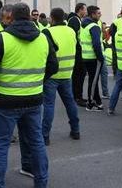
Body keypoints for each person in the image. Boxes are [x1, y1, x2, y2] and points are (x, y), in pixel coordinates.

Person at [0, 3, 58, 188]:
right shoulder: (43, 38)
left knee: (1, 145)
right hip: (33, 99)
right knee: (37, 142)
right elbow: (53, 67)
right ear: (31, 17)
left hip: (6, 100)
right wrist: (38, 81)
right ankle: (41, 182)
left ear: (12, 18)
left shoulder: (3, 39)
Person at [41, 8, 81, 145]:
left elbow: (44, 51)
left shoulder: (47, 32)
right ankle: (75, 130)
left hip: (52, 74)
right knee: (70, 102)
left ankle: (45, 136)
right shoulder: (71, 31)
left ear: (51, 18)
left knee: (49, 105)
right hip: (67, 73)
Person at [79, 6, 105, 111]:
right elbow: (96, 44)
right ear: (92, 14)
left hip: (86, 56)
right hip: (94, 58)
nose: (100, 15)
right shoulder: (94, 26)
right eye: (98, 13)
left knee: (92, 79)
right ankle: (90, 104)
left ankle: (97, 101)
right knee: (93, 81)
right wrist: (100, 57)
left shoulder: (84, 24)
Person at [67, 3, 87, 107]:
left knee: (79, 75)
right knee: (78, 75)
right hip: (77, 52)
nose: (86, 12)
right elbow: (73, 36)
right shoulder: (74, 20)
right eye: (85, 9)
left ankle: (77, 96)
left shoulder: (78, 20)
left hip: (79, 51)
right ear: (80, 10)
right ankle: (77, 97)